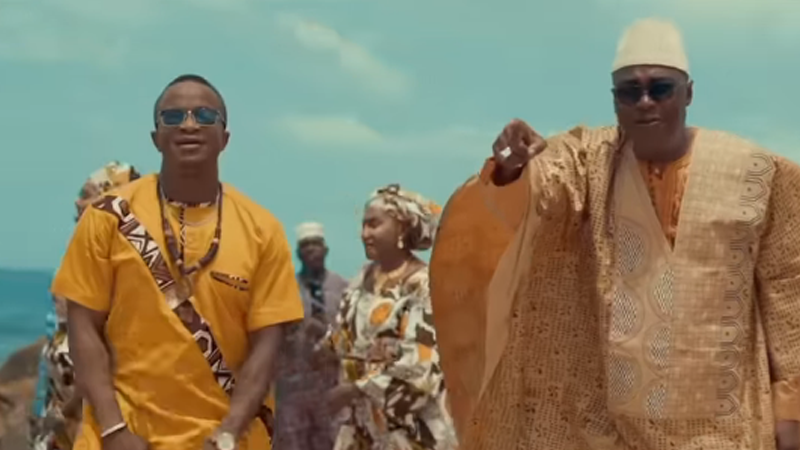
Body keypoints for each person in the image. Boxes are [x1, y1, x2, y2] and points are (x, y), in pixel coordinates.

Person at [430, 18, 800, 450]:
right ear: (614, 100)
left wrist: (791, 410)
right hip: (610, 419)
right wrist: (514, 167)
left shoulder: (757, 172)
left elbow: (788, 289)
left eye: (660, 88)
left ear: (688, 93)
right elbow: (546, 188)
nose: (645, 102)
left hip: (728, 422)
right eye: (630, 91)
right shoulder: (589, 159)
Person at [51, 74, 304, 450]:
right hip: (120, 436)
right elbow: (83, 324)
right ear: (155, 137)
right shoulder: (106, 217)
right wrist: (113, 428)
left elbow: (267, 346)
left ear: (225, 138)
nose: (188, 124)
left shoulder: (263, 230)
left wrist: (228, 433)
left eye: (204, 115)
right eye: (172, 117)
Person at [317, 184, 457, 450]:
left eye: (374, 224)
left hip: (411, 432)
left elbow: (421, 366)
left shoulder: (424, 286)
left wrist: (355, 389)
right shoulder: (361, 280)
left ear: (402, 228)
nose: (364, 234)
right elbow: (344, 336)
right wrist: (320, 349)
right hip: (361, 431)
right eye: (363, 225)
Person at [30, 161, 140, 450]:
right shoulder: (81, 260)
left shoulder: (123, 272)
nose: (77, 201)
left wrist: (69, 412)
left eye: (87, 194)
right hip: (58, 420)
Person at [273, 222, 348, 450]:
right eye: (305, 245)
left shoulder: (345, 289)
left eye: (316, 244)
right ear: (298, 253)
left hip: (332, 386)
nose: (311, 249)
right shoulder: (285, 291)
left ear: (325, 249)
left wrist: (326, 334)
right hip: (294, 389)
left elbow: (353, 336)